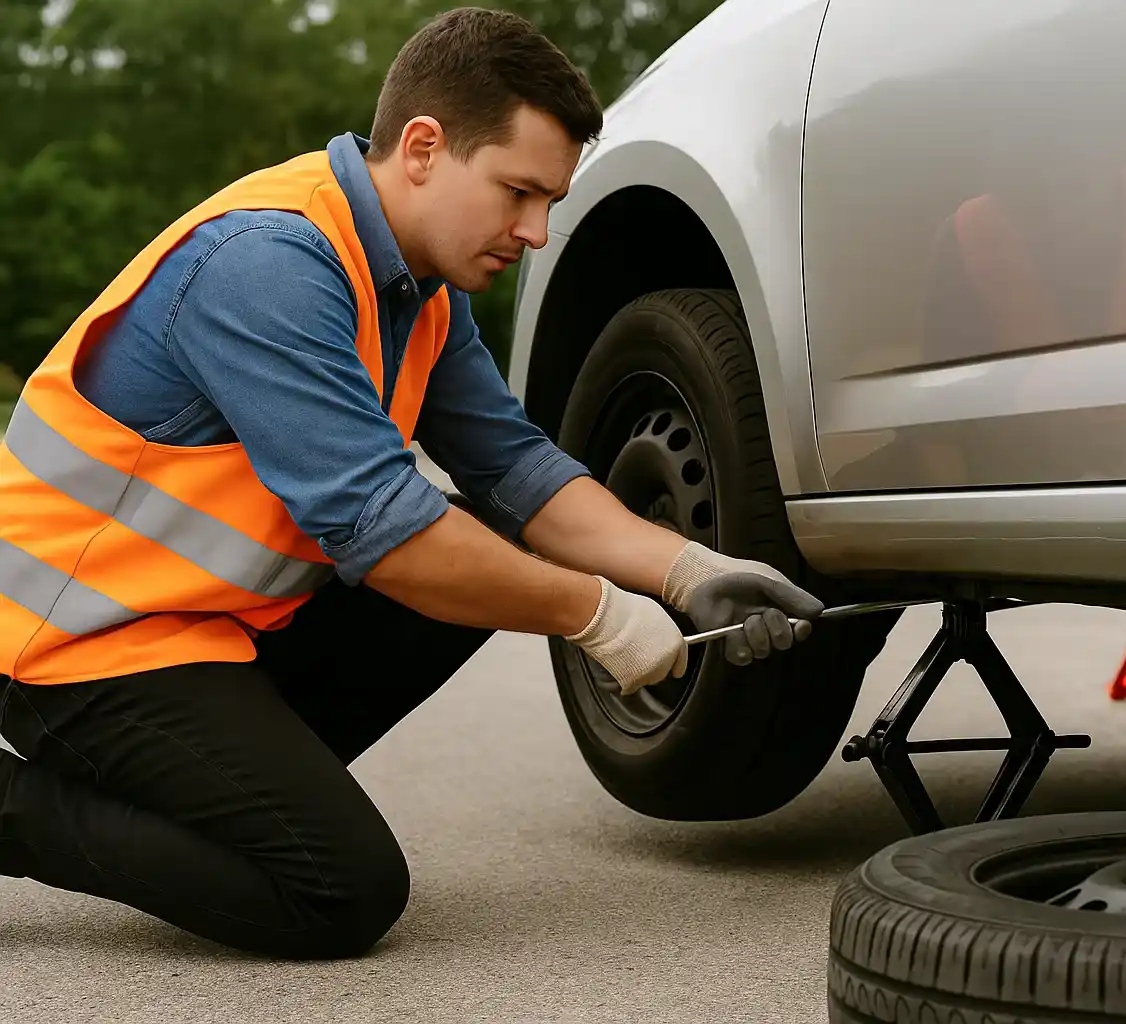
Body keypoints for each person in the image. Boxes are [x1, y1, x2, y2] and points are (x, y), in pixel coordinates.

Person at [0, 7, 823, 960]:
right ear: (424, 147)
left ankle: (203, 794)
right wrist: (598, 613)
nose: (538, 231)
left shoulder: (416, 290)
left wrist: (685, 571)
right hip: (77, 652)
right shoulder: (270, 264)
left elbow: (518, 472)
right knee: (337, 890)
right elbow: (386, 534)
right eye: (519, 193)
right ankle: (17, 808)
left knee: (492, 533)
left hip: (208, 636)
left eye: (549, 202)